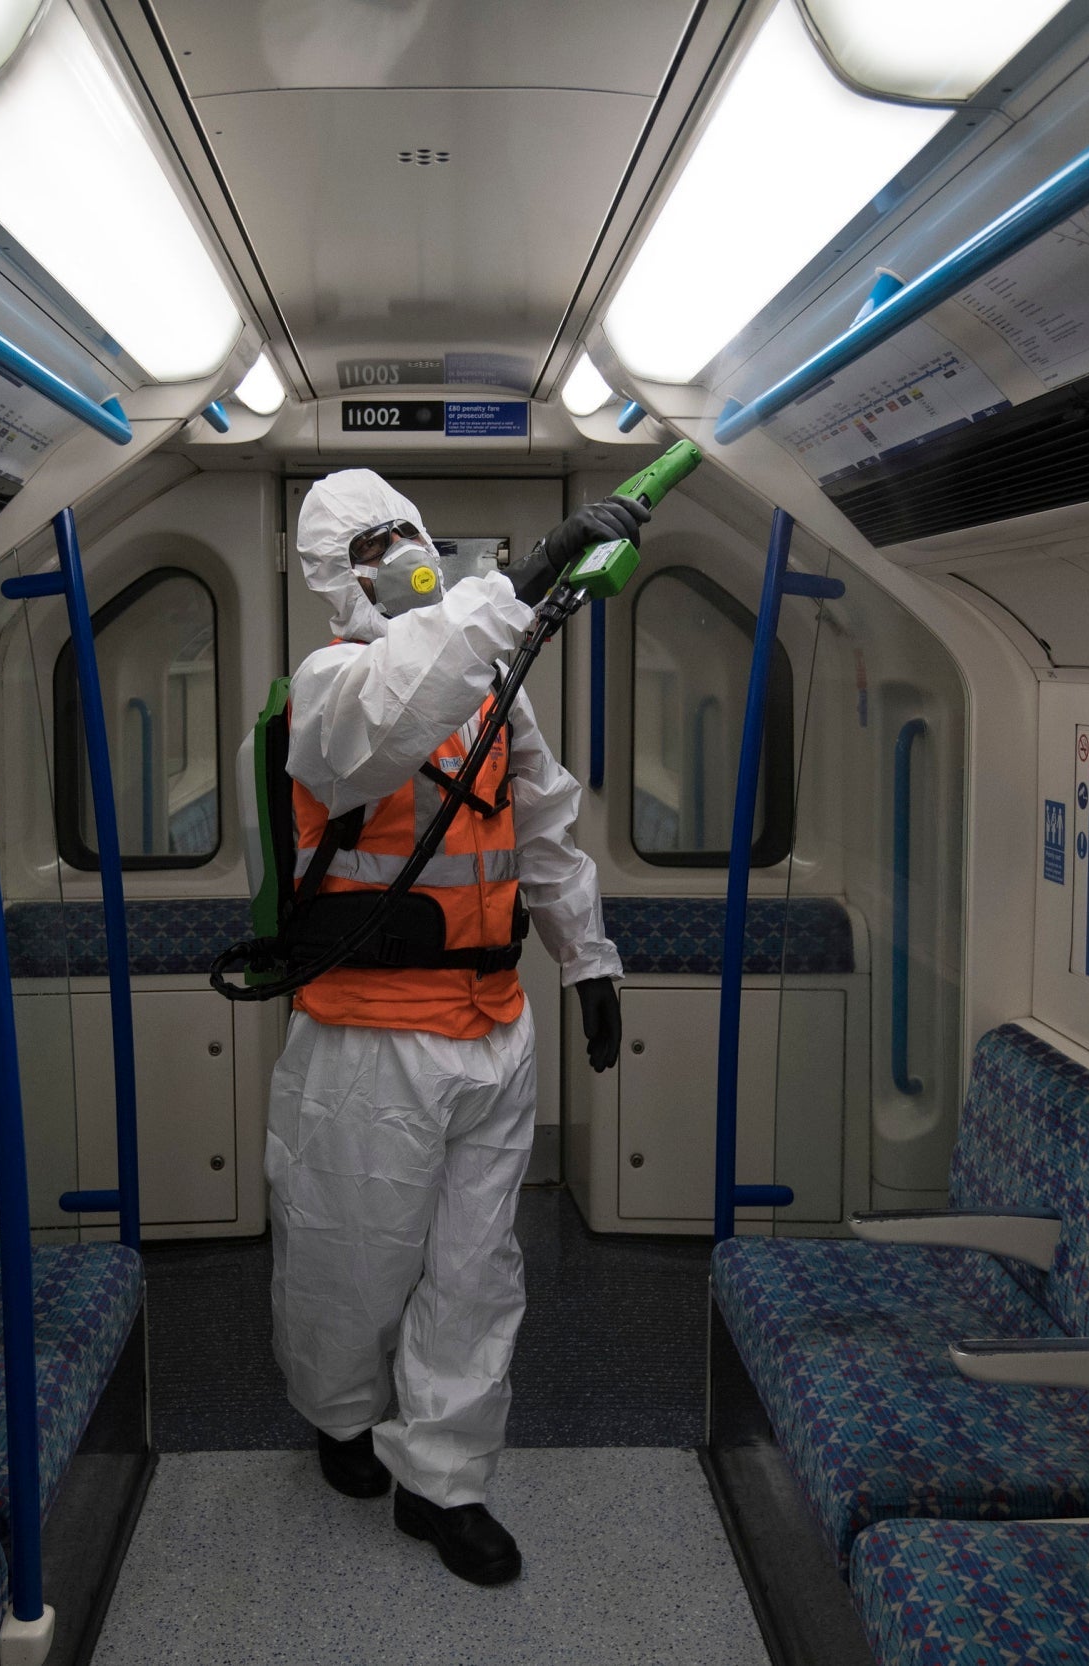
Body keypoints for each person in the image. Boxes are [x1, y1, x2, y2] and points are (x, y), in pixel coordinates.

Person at [269, 470, 639, 1585]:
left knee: (477, 1270)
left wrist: (587, 960)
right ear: (337, 575)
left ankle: (445, 1479)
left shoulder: (493, 684)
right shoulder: (328, 690)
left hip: (492, 1024)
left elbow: (545, 827)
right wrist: (512, 586)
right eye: (375, 543)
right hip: (368, 1037)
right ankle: (339, 1414)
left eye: (410, 533)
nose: (404, 554)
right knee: (353, 1260)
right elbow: (394, 710)